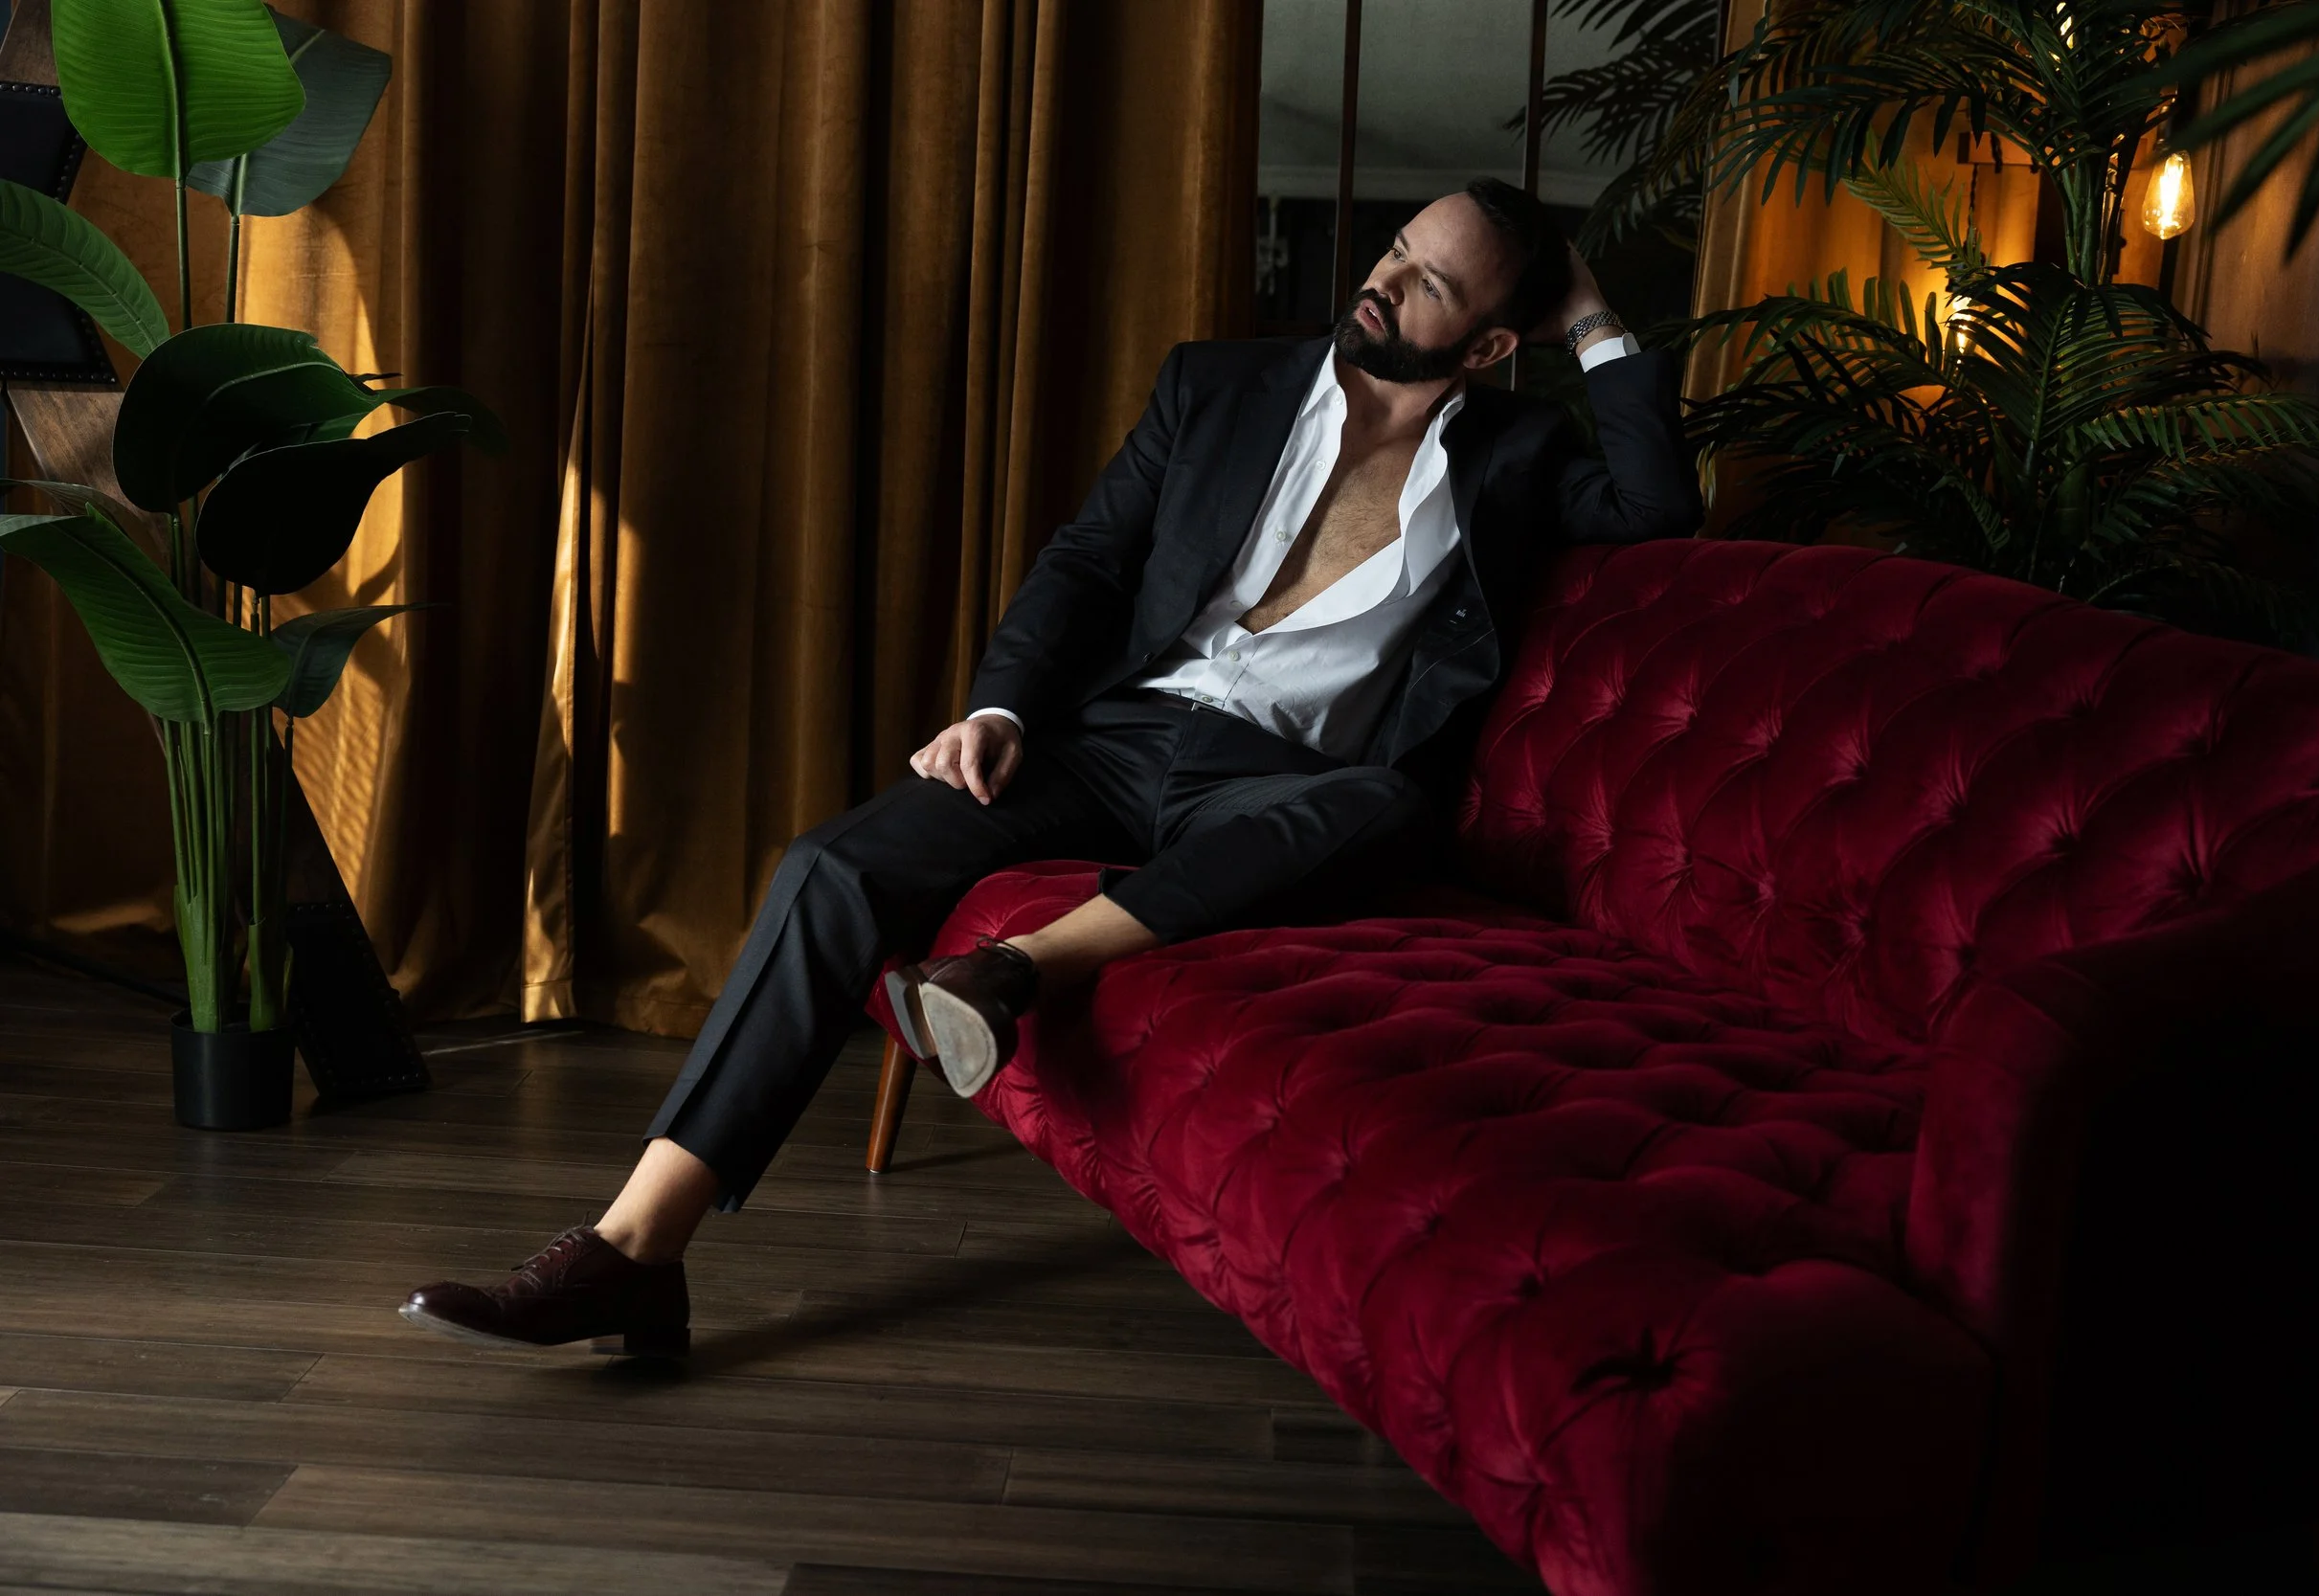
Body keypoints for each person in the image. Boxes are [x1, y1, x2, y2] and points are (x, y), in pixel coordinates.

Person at [398, 178, 1704, 1357]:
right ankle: (635, 1248)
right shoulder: (1217, 386)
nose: (1384, 275)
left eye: (1429, 279)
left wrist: (1591, 308)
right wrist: (1003, 708)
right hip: (1115, 736)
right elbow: (1088, 561)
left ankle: (1011, 973)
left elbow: (1657, 509)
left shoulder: (1516, 459)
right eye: (1397, 247)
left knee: (1378, 806)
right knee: (835, 865)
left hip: (1277, 781)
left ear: (1487, 345)